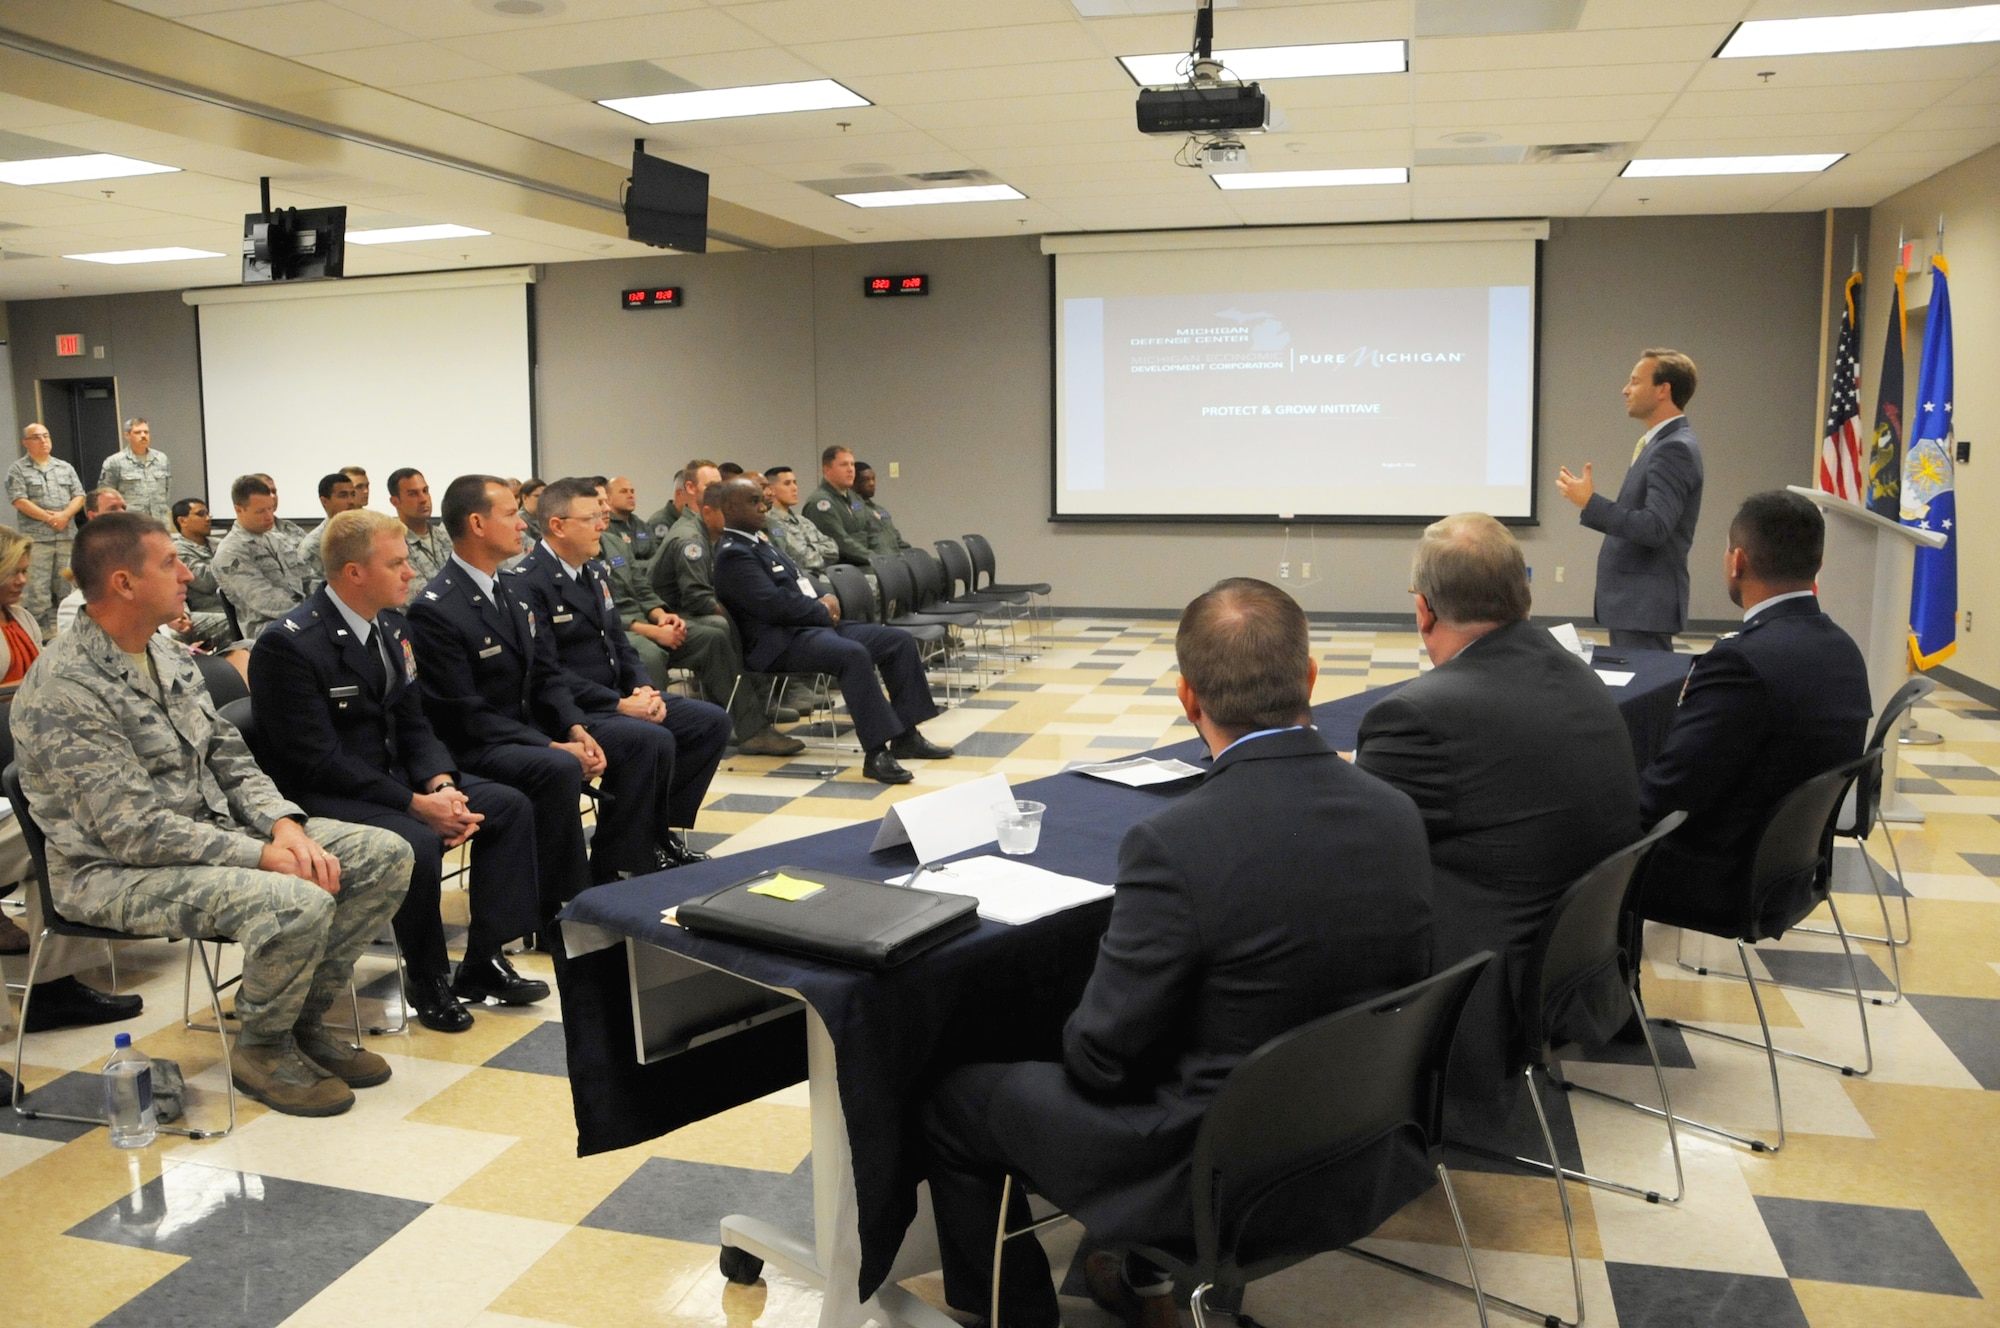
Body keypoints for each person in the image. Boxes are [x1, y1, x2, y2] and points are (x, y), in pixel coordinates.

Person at [922, 577, 1435, 1328]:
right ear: (1312, 677)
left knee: (953, 1099)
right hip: (1359, 1136)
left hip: (1209, 1165)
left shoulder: (1174, 842)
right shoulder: (1396, 812)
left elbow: (1102, 1062)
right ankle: (1139, 1275)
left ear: (1187, 698)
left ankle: (1013, 1314)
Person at [11, 512, 413, 1117]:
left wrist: (282, 824)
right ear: (123, 583)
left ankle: (300, 1021)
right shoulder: (66, 686)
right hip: (114, 873)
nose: (186, 575)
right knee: (294, 898)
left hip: (211, 837)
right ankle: (262, 1047)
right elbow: (133, 832)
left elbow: (231, 760)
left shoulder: (164, 654)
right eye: (169, 564)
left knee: (384, 854)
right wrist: (263, 854)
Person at [1355, 514, 1639, 1116]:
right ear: (1522, 592)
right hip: (1578, 955)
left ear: (1423, 610)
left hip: (1489, 979)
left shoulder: (1417, 716)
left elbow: (1352, 847)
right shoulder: (1578, 674)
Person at [249, 510, 550, 1033]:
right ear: (354, 573)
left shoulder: (391, 624)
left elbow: (414, 720)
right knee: (417, 840)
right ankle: (428, 977)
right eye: (397, 563)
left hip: (392, 778)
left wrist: (441, 783)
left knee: (507, 806)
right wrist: (414, 804)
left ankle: (484, 959)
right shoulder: (291, 643)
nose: (411, 572)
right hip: (327, 794)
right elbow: (317, 759)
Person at [1627, 491, 1872, 931]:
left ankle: (1603, 996)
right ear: (1816, 563)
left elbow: (1668, 795)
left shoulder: (1742, 663)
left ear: (1737, 560)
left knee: (1557, 850)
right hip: (1789, 867)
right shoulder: (1843, 647)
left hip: (1721, 877)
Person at [397, 477, 606, 928]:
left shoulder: (510, 589)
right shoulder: (437, 607)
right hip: (474, 744)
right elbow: (464, 713)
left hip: (521, 734)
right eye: (511, 514)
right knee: (558, 768)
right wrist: (551, 747)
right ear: (476, 523)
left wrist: (573, 727)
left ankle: (594, 883)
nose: (522, 525)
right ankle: (563, 906)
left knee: (589, 752)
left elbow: (547, 673)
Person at [504, 477, 730, 867]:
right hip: (569, 711)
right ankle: (616, 856)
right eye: (591, 517)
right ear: (558, 526)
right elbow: (546, 671)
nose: (602, 525)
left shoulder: (593, 572)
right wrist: (620, 705)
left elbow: (620, 646)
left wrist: (644, 690)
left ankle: (657, 831)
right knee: (648, 739)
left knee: (709, 723)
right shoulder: (527, 583)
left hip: (616, 700)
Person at [0, 525, 148, 1028]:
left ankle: (52, 988)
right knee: (59, 830)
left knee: (61, 833)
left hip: (20, 767)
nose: (24, 580)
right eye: (14, 571)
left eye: (25, 570)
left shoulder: (18, 616)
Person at [712, 477, 951, 784]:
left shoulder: (760, 540)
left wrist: (827, 595)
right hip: (778, 643)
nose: (763, 506)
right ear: (730, 507)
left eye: (762, 500)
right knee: (852, 654)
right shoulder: (734, 554)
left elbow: (801, 578)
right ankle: (876, 753)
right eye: (753, 501)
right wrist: (821, 610)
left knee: (897, 641)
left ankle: (906, 736)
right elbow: (773, 605)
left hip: (808, 628)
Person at [1557, 349, 1704, 652]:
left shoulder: (1673, 448)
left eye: (1635, 382)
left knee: (1644, 696)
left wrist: (1590, 503)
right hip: (1637, 606)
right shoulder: (1661, 443)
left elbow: (1654, 527)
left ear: (1664, 390)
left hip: (1644, 606)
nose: (1625, 389)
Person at [7, 422, 86, 635]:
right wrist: (49, 518)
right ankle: (38, 635)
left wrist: (65, 515)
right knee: (37, 590)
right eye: (37, 437)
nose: (43, 440)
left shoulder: (64, 467)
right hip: (37, 539)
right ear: (26, 443)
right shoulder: (18, 469)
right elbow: (19, 499)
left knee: (67, 586)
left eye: (46, 436)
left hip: (66, 535)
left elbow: (79, 495)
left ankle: (69, 632)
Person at [213, 474, 310, 639]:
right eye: (260, 511)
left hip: (300, 618)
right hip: (268, 629)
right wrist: (314, 613)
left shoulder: (278, 539)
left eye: (270, 508)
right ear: (239, 509)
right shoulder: (231, 552)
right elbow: (265, 600)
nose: (269, 516)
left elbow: (308, 578)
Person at [170, 497, 234, 650]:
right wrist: (234, 570)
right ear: (182, 521)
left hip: (231, 605)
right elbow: (207, 582)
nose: (208, 519)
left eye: (208, 514)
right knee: (239, 621)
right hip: (201, 612)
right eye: (201, 514)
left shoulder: (220, 544)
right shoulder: (178, 551)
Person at [803, 446, 875, 566]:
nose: (851, 469)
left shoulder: (854, 497)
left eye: (852, 464)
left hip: (866, 563)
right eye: (844, 465)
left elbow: (871, 530)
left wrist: (885, 557)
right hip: (843, 570)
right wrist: (875, 558)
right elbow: (840, 542)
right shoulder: (821, 503)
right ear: (827, 470)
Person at [764, 464, 839, 578]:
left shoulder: (803, 521)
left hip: (821, 578)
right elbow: (795, 557)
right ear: (771, 490)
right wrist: (818, 551)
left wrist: (809, 551)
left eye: (795, 482)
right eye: (787, 483)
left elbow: (833, 550)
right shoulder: (768, 522)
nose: (794, 488)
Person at [387, 468, 452, 599]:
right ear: (395, 501)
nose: (423, 499)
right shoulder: (392, 546)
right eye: (413, 494)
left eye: (425, 491)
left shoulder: (449, 537)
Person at [95, 417, 172, 523]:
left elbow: (166, 490)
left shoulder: (161, 459)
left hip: (159, 521)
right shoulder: (114, 461)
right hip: (130, 523)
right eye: (137, 432)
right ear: (127, 435)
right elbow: (105, 494)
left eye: (146, 432)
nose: (143, 435)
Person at [298, 472, 360, 583]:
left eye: (353, 494)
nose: (351, 501)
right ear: (325, 501)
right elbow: (314, 589)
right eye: (343, 495)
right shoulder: (315, 544)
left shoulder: (365, 533)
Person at [853, 462, 913, 556]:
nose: (872, 483)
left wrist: (913, 554)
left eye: (873, 479)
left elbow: (897, 539)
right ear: (854, 483)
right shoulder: (854, 511)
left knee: (934, 564)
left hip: (896, 559)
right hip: (878, 563)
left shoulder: (880, 510)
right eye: (866, 480)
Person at [602, 476, 660, 570]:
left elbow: (657, 559)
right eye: (623, 491)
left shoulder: (641, 525)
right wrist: (650, 565)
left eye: (632, 491)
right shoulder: (605, 526)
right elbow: (621, 566)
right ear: (608, 499)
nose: (630, 496)